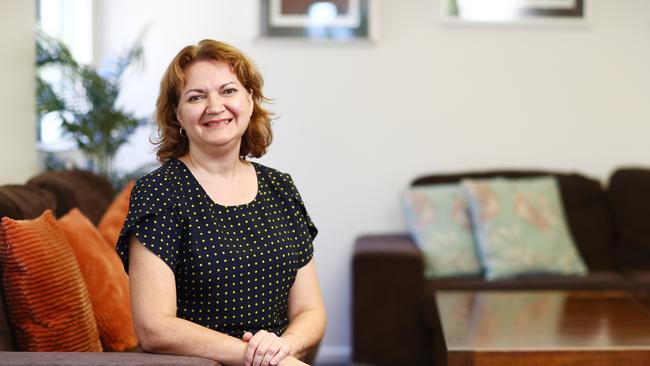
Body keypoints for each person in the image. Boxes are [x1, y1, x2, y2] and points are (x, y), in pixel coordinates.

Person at [116, 39, 326, 366]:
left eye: (228, 91)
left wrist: (286, 346)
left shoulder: (280, 187)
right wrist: (263, 358)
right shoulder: (159, 192)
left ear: (251, 99)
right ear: (177, 115)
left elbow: (310, 310)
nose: (215, 106)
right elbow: (155, 328)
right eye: (196, 97)